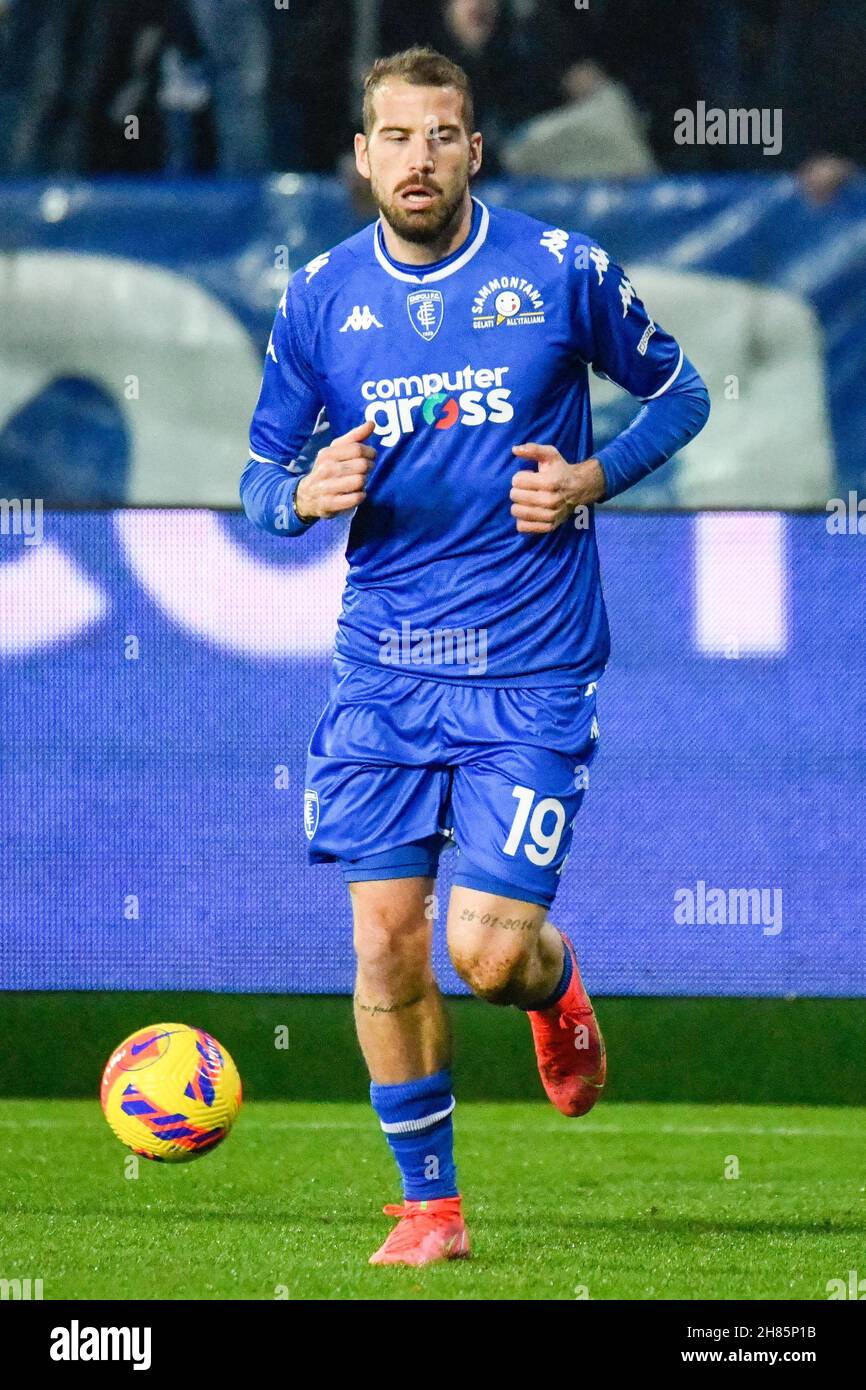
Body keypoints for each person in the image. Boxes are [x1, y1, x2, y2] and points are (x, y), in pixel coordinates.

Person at [241, 46, 710, 1267]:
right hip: (383, 670)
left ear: (472, 149)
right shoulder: (318, 298)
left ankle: (549, 984)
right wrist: (301, 496)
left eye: (441, 135)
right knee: (386, 940)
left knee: (482, 951)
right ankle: (430, 1209)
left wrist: (591, 479)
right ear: (360, 155)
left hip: (530, 665)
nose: (417, 158)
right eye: (394, 137)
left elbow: (680, 391)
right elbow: (258, 477)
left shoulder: (558, 271)